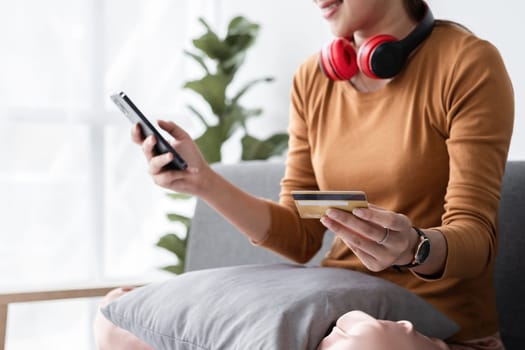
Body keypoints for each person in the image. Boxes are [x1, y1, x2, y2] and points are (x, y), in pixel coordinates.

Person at [94, 0, 514, 349]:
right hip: (334, 311)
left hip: (431, 330)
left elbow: (476, 237)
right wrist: (202, 180)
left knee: (365, 344)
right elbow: (300, 237)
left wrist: (413, 247)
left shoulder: (466, 62)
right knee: (119, 319)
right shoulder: (314, 78)